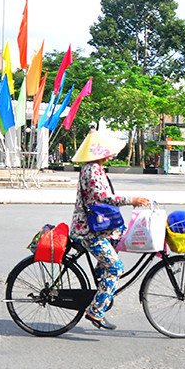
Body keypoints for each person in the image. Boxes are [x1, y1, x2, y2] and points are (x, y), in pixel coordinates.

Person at [70, 130, 150, 330]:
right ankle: (95, 311)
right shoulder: (92, 170)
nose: (112, 155)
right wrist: (132, 200)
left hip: (98, 228)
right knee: (116, 268)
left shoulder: (95, 168)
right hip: (88, 231)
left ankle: (101, 276)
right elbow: (104, 198)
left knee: (121, 235)